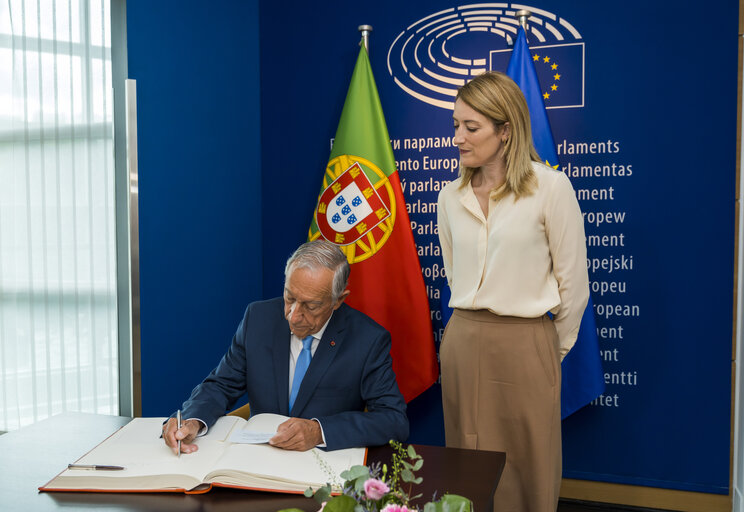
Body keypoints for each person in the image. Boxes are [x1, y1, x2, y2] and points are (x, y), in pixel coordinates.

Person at [437, 72, 589, 511]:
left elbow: (573, 285)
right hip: (463, 340)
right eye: (455, 125)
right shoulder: (450, 197)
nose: (458, 138)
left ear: (506, 131)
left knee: (529, 463)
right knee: (466, 459)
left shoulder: (550, 189)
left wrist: (542, 350)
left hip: (527, 343)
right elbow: (455, 273)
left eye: (471, 127)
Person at [162, 240, 408, 454]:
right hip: (258, 462)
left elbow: (393, 420)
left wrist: (318, 431)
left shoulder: (367, 339)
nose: (293, 315)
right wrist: (193, 420)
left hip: (322, 469)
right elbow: (222, 385)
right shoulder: (258, 318)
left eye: (310, 306)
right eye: (289, 297)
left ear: (338, 301)